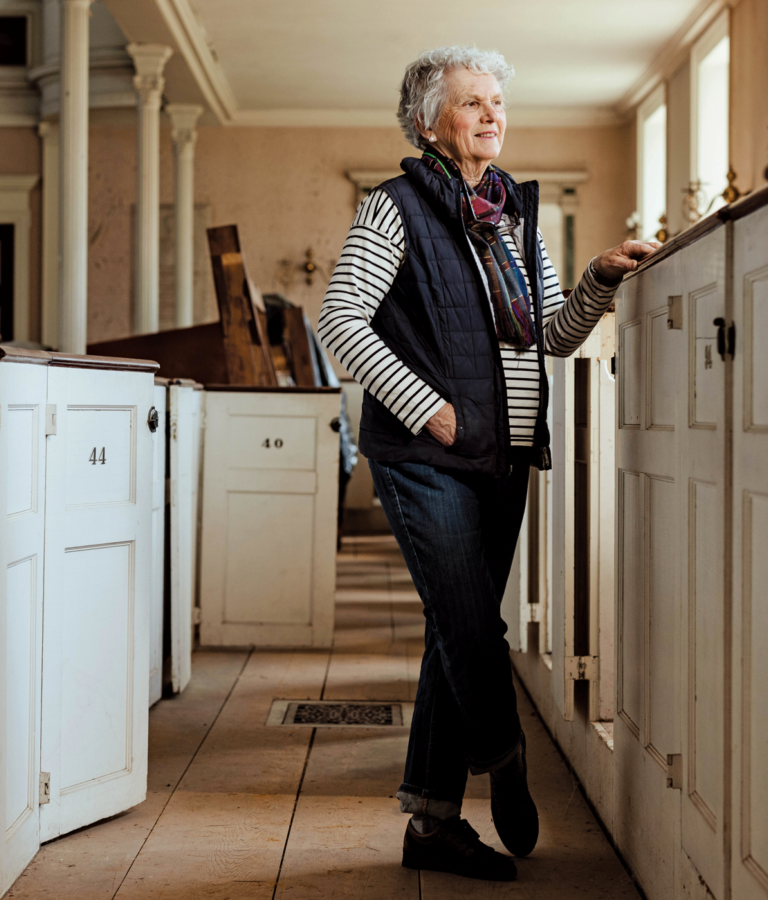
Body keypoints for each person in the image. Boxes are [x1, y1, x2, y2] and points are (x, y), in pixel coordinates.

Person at [316, 45, 657, 882]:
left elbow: (549, 335)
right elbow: (339, 320)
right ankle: (504, 757)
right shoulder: (392, 206)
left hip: (502, 458)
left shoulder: (511, 219)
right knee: (473, 625)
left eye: (498, 101)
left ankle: (430, 827)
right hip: (426, 455)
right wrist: (425, 407)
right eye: (473, 103)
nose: (493, 115)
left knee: (450, 631)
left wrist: (600, 280)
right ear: (430, 121)